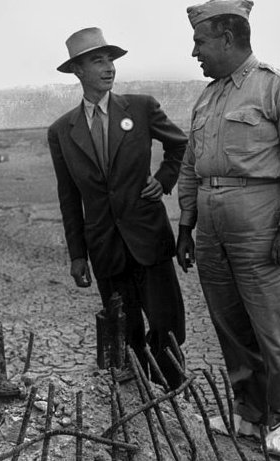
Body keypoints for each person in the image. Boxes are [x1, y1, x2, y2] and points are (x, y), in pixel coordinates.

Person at [177, 0, 280, 457]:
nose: (194, 51)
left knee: (272, 329)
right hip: (211, 230)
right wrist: (186, 223)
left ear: (228, 38)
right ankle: (250, 413)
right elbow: (190, 164)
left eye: (200, 41)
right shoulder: (208, 96)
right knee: (230, 325)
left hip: (261, 224)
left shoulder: (276, 86)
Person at [48, 27, 187, 389]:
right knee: (124, 336)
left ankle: (173, 403)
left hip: (148, 241)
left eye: (110, 59)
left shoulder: (140, 107)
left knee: (166, 330)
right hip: (105, 249)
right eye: (98, 60)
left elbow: (180, 147)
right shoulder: (62, 130)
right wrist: (78, 255)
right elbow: (68, 197)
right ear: (78, 70)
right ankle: (137, 409)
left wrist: (164, 178)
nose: (109, 67)